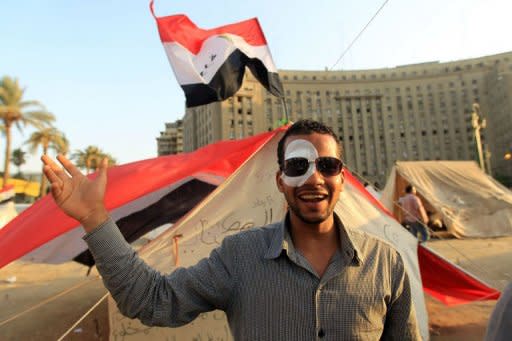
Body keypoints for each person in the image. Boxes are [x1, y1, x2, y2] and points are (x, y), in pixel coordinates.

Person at [42, 119, 421, 340]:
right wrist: (95, 218)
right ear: (279, 180)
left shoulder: (386, 263)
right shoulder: (239, 256)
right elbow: (153, 300)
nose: (314, 178)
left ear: (342, 177)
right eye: (298, 166)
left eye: (327, 165)